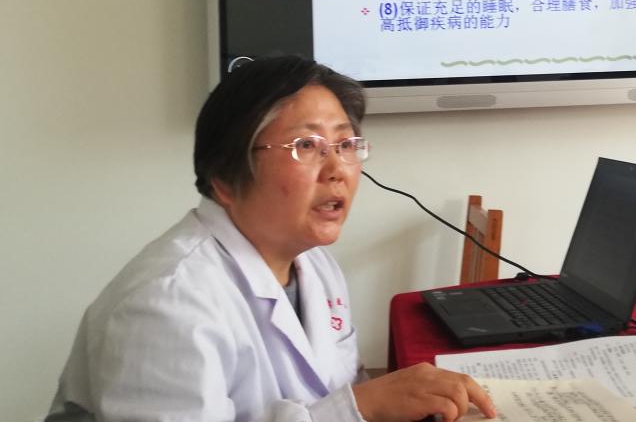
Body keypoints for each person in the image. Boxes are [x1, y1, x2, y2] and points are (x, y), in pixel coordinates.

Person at [46, 55, 496, 422]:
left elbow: (336, 387)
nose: (337, 170)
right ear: (225, 178)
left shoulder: (312, 263)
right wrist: (358, 409)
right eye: (306, 146)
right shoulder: (167, 303)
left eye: (345, 145)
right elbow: (348, 405)